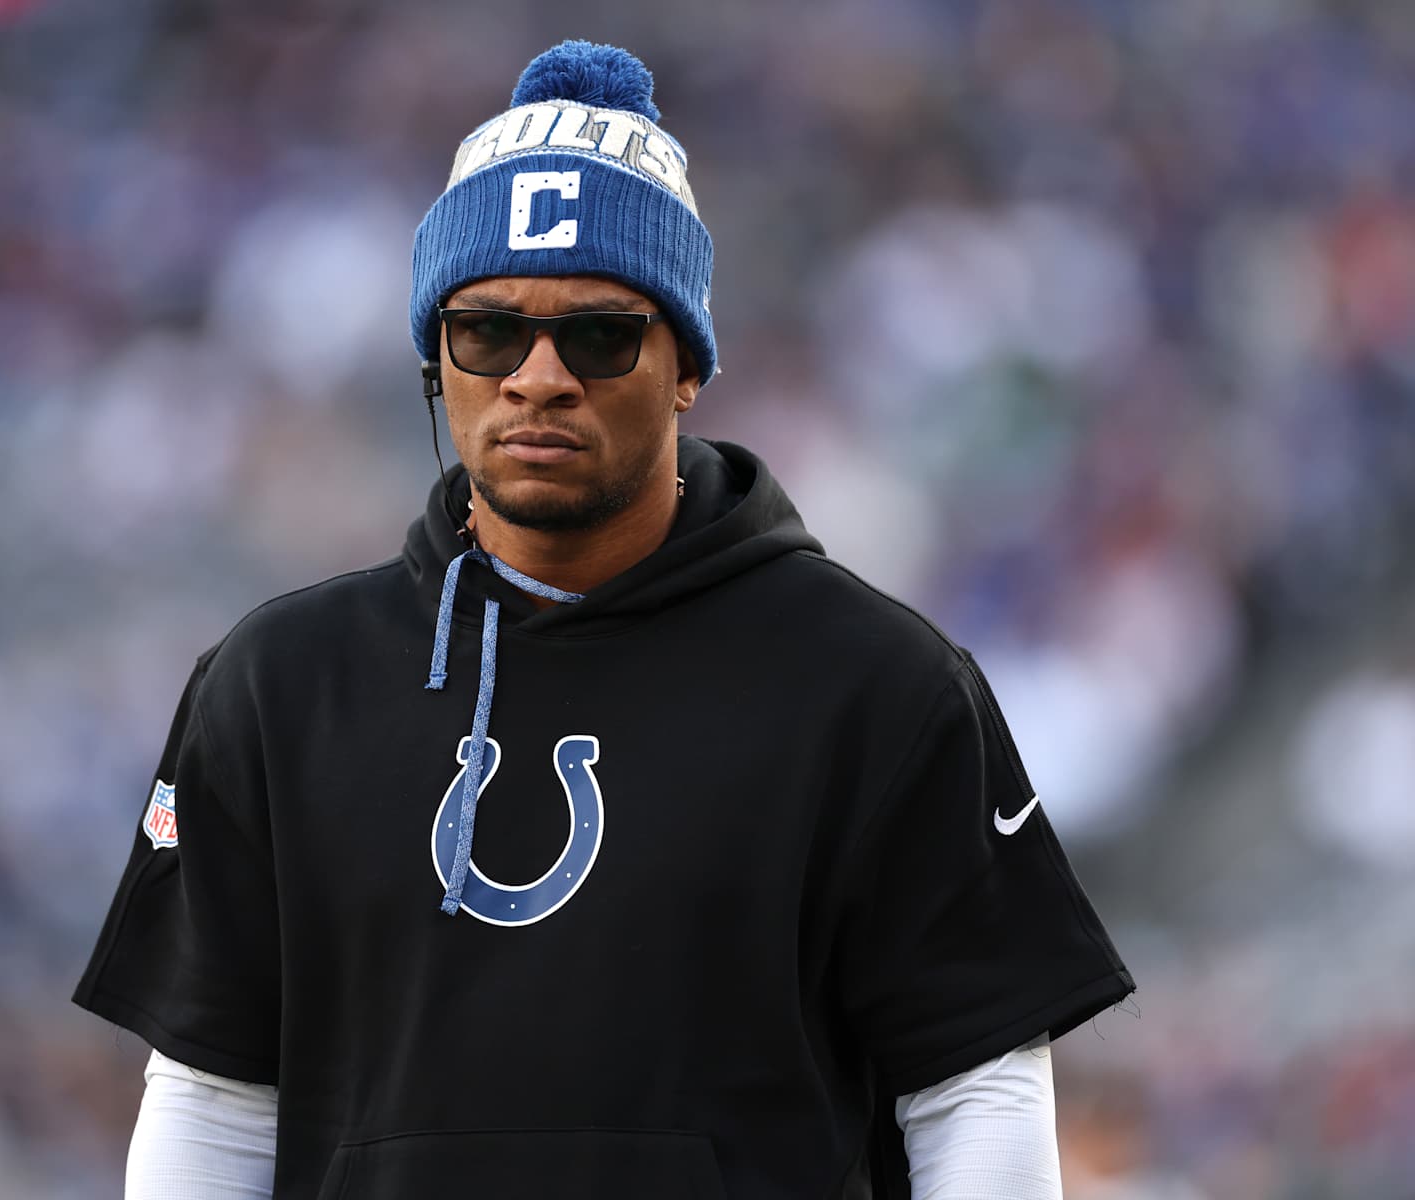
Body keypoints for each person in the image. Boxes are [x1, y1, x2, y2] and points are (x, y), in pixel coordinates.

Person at [74, 39, 1135, 1200]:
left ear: (686, 367)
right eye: (488, 331)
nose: (539, 376)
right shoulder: (278, 686)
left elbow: (974, 1093)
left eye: (599, 333)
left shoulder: (878, 686)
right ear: (436, 360)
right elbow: (214, 1098)